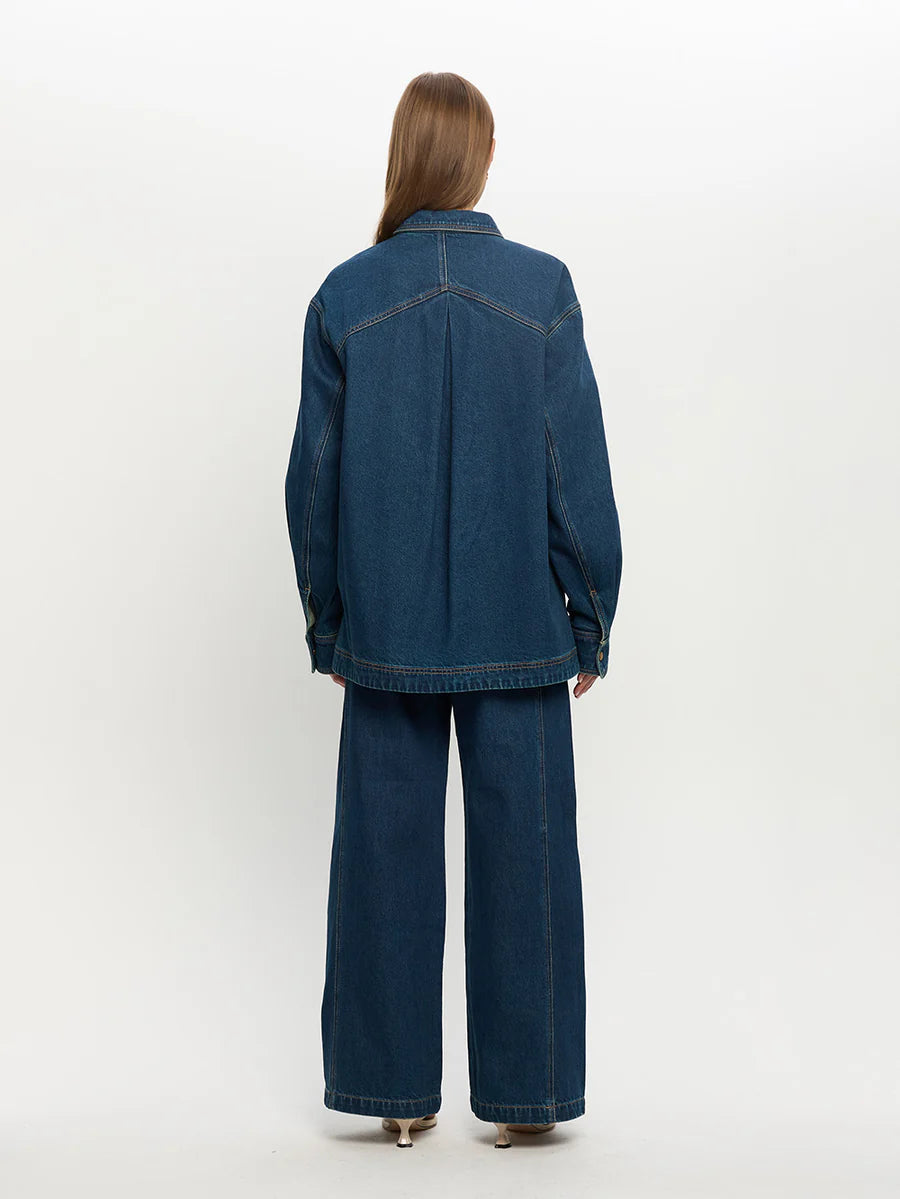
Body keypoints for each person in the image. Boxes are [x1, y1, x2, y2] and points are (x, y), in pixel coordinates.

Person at [284, 71, 623, 1150]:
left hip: (384, 631)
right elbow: (574, 468)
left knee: (381, 855)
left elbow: (313, 482)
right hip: (520, 625)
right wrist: (591, 610)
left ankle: (396, 1094)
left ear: (403, 155)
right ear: (479, 158)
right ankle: (528, 1101)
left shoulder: (346, 296)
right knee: (529, 859)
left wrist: (329, 617)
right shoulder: (541, 288)